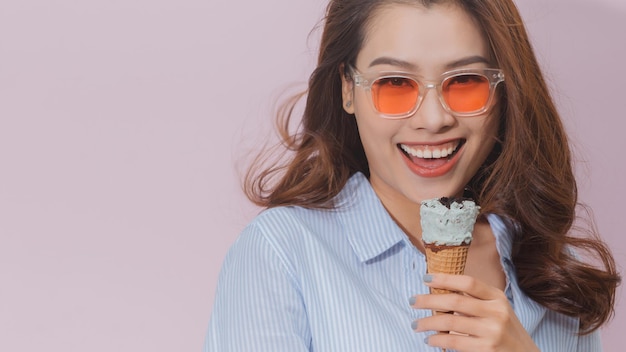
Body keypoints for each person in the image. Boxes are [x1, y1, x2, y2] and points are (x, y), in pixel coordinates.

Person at [204, 0, 621, 351]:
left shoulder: (555, 270)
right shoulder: (282, 253)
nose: (434, 118)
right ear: (348, 90)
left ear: (502, 91)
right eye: (396, 83)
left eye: (465, 81)